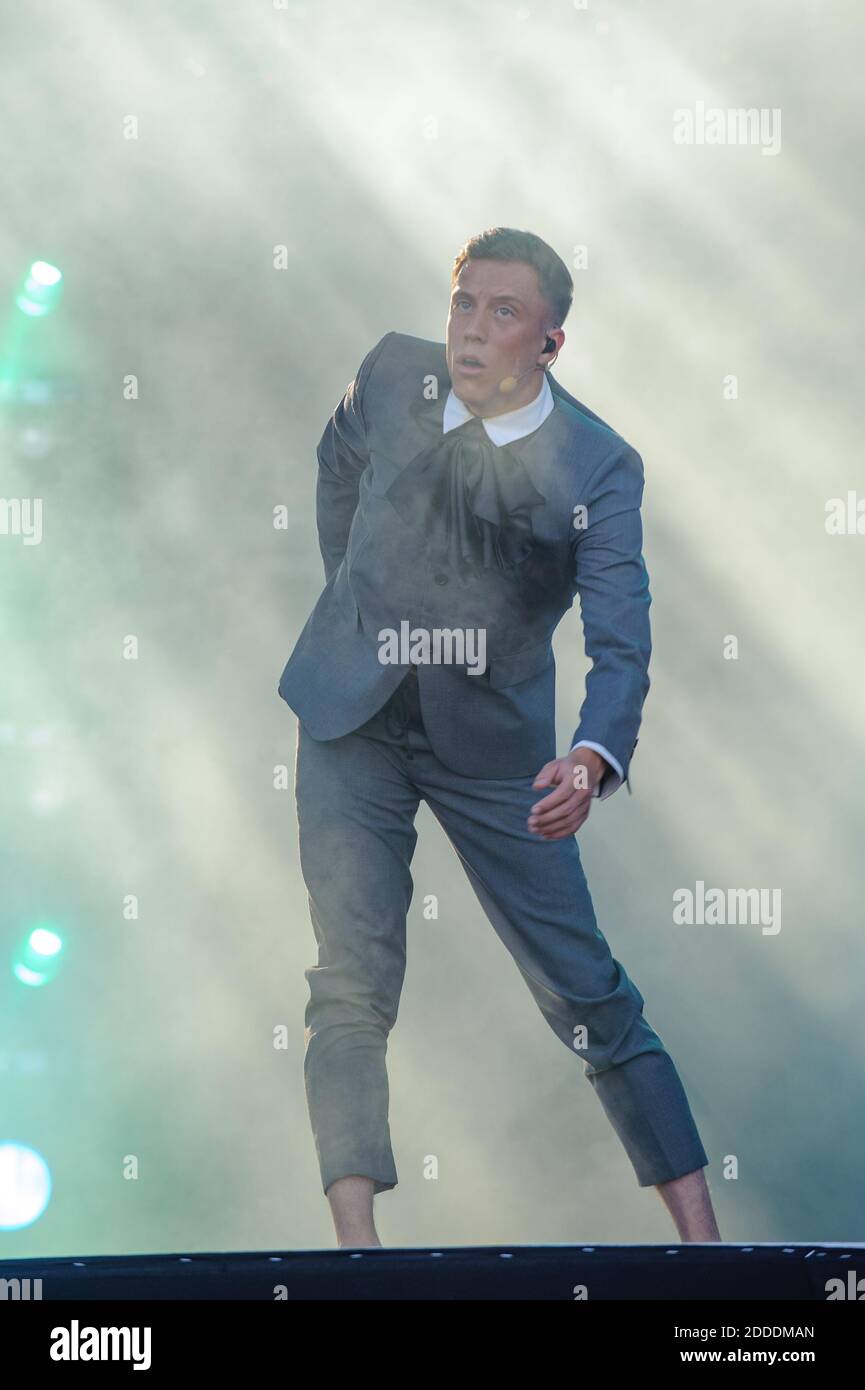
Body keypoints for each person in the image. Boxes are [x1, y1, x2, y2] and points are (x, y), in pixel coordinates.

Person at [278, 227, 721, 1248]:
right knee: (349, 975)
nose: (472, 332)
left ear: (549, 344)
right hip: (353, 720)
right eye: (463, 305)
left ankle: (711, 1255)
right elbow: (334, 466)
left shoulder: (598, 465)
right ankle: (359, 1261)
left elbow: (622, 636)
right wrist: (350, 600)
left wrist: (591, 753)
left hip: (491, 747)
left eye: (502, 314)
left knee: (586, 987)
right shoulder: (392, 373)